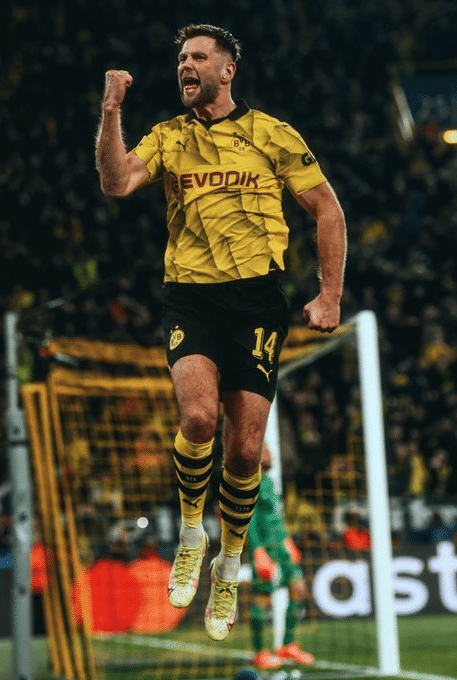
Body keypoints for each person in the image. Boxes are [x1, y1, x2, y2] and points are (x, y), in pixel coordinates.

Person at [95, 23, 346, 641]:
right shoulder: (168, 136)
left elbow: (327, 208)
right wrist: (111, 112)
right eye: (181, 57)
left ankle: (228, 566)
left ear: (227, 70)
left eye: (199, 57)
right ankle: (191, 536)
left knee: (244, 452)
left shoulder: (272, 134)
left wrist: (329, 295)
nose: (186, 65)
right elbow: (116, 182)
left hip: (257, 301)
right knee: (199, 418)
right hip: (191, 298)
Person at [248, 443, 316, 669]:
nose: (269, 454)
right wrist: (257, 551)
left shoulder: (268, 482)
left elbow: (276, 517)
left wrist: (288, 541)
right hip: (266, 550)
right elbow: (249, 521)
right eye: (264, 450)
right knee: (263, 598)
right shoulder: (249, 483)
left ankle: (288, 644)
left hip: (281, 547)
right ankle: (259, 651)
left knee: (298, 588)